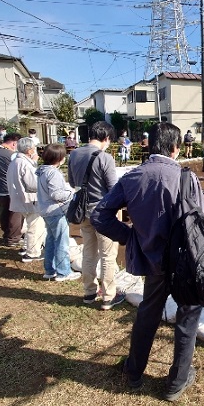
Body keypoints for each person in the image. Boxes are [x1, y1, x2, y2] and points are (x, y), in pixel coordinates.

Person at [91, 122, 204, 401]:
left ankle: (134, 372)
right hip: (186, 262)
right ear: (175, 148)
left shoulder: (131, 178)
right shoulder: (185, 178)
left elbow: (99, 216)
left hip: (152, 261)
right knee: (188, 317)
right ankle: (176, 382)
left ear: (148, 144)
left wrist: (130, 236)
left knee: (148, 314)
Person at [68, 121, 124, 309]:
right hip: (102, 212)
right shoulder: (105, 157)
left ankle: (89, 292)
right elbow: (112, 188)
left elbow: (71, 181)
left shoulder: (74, 154)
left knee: (89, 252)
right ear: (106, 138)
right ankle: (108, 296)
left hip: (82, 211)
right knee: (108, 255)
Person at [36, 143, 80, 282]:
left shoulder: (42, 170)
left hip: (45, 209)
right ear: (59, 158)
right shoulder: (53, 172)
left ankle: (50, 270)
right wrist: (72, 193)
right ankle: (63, 272)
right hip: (56, 211)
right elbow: (56, 194)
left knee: (51, 240)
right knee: (62, 241)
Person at [7, 137, 46, 262]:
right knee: (35, 225)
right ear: (29, 150)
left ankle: (26, 247)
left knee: (29, 224)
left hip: (19, 198)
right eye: (34, 149)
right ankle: (32, 252)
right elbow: (33, 184)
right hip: (29, 199)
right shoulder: (25, 163)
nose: (35, 151)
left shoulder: (15, 161)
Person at [0, 132, 23, 246]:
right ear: (14, 143)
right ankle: (13, 238)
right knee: (16, 213)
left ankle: (6, 234)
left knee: (4, 212)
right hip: (12, 188)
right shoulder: (12, 155)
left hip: (0, 187)